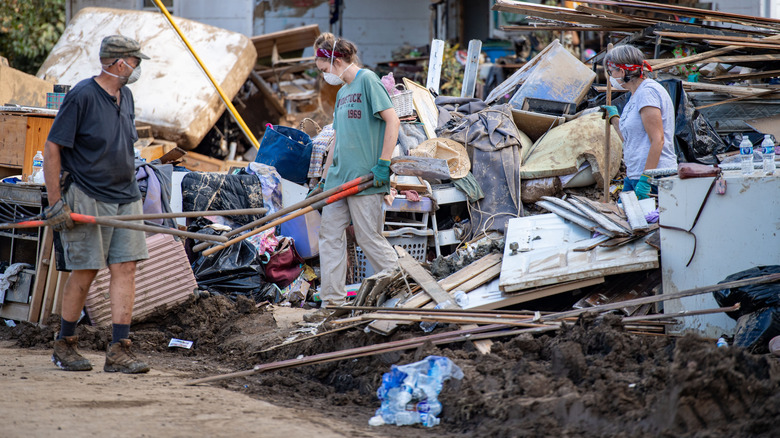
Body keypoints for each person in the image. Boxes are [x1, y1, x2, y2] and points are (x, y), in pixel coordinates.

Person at [43, 35, 151, 374]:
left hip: (126, 195)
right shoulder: (83, 96)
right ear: (120, 63)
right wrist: (56, 202)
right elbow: (52, 148)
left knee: (127, 268)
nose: (138, 68)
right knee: (86, 269)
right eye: (136, 62)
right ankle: (65, 343)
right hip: (89, 194)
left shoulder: (127, 95)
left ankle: (119, 348)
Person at [306, 32, 400, 321]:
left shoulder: (368, 81)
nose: (324, 77)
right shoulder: (343, 93)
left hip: (365, 178)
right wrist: (323, 178)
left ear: (335, 61)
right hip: (338, 180)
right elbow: (337, 138)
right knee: (330, 237)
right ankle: (332, 304)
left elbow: (392, 121)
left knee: (368, 237)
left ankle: (403, 287)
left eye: (324, 71)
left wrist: (384, 164)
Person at [602, 44, 677, 199]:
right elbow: (631, 139)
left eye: (611, 72)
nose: (610, 77)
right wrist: (615, 119)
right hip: (635, 175)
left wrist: (646, 179)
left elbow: (658, 140)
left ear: (622, 71)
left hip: (655, 177)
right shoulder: (634, 96)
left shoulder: (647, 93)